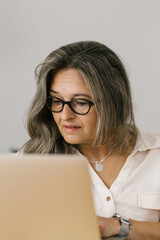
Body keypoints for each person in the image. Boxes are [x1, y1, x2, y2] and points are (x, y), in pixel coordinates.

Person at [21, 41, 160, 239]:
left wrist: (117, 226)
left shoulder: (156, 156)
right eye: (57, 101)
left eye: (80, 102)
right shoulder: (30, 163)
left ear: (113, 102)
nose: (65, 115)